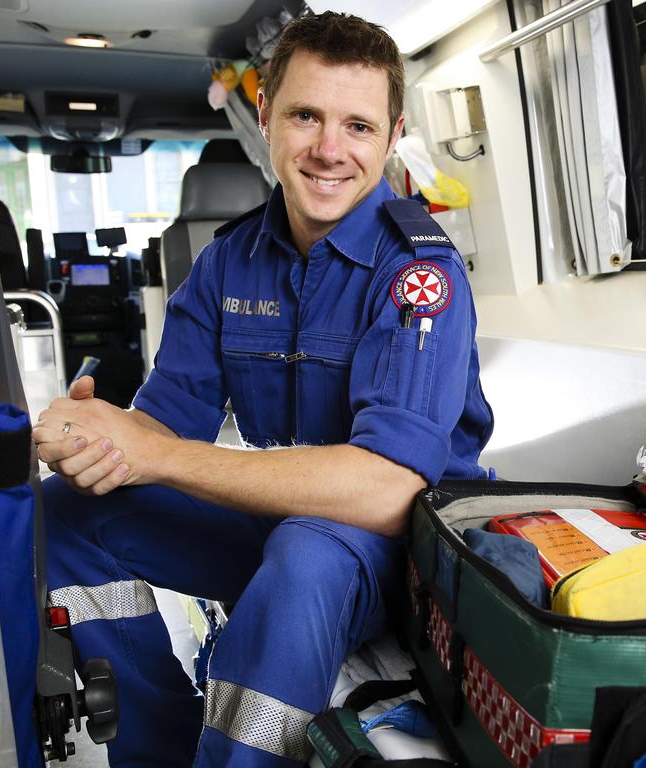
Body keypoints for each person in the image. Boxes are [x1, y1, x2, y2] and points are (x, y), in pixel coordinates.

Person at [32, 12, 493, 767]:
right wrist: (94, 441)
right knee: (64, 516)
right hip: (282, 525)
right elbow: (160, 429)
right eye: (306, 115)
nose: (329, 150)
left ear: (391, 134)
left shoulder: (421, 274)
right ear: (268, 116)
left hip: (403, 554)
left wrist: (158, 458)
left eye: (358, 125)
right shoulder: (228, 262)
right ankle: (157, 744)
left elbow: (384, 491)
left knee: (306, 552)